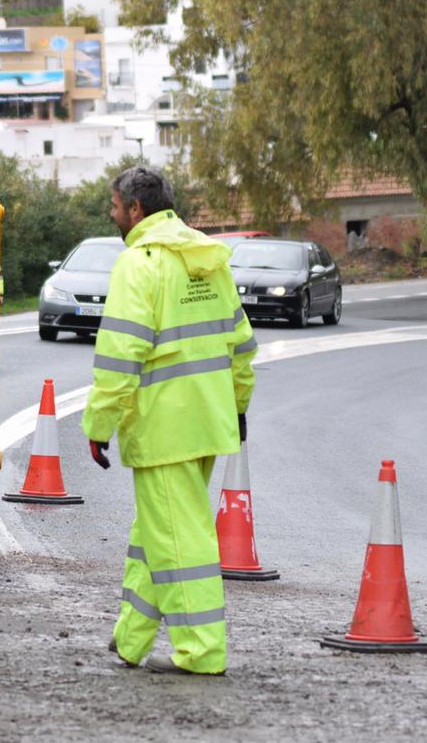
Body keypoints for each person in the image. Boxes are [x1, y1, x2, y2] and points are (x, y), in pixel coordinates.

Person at [81, 165, 257, 676]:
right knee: (156, 535)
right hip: (208, 422)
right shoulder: (206, 258)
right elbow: (241, 345)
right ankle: (131, 640)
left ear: (136, 209)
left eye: (115, 207)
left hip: (164, 430)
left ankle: (202, 651)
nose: (113, 216)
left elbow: (120, 358)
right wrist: (238, 406)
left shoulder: (140, 264)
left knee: (180, 542)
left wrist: (98, 425)